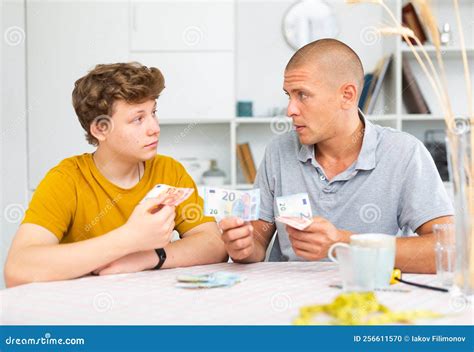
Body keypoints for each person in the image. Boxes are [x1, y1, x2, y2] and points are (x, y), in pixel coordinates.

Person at [220, 39, 453, 273]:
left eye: (302, 95)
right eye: (288, 95)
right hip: (289, 299)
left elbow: (447, 250)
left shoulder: (404, 153)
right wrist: (243, 246)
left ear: (347, 95)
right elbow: (257, 243)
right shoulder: (278, 152)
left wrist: (343, 243)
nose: (290, 110)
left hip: (369, 298)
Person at [4, 62, 227, 287]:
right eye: (138, 119)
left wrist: (147, 257)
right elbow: (18, 269)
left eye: (153, 112)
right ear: (101, 128)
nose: (155, 128)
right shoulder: (66, 179)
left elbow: (214, 244)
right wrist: (129, 238)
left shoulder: (168, 171)